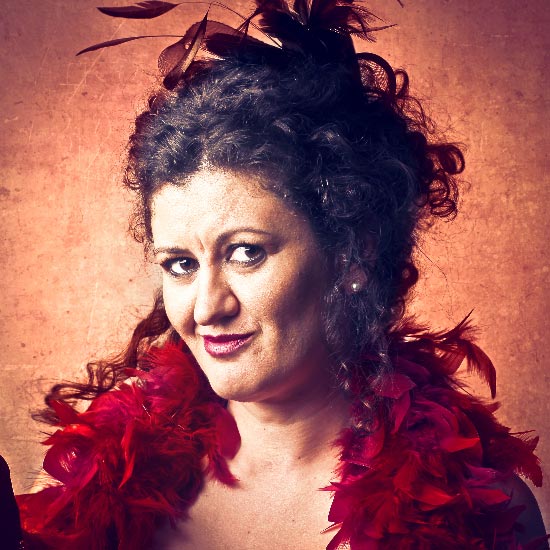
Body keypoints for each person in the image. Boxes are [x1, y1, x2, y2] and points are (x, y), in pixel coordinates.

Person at [8, 0, 548, 548]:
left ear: (353, 254)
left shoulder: (484, 513)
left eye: (246, 253)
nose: (206, 307)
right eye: (181, 264)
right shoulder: (93, 487)